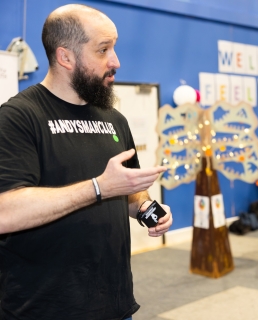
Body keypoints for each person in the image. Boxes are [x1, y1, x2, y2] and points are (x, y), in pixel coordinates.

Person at [0, 4, 173, 320]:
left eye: (114, 48)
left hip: (115, 305)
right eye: (103, 49)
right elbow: (4, 212)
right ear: (65, 57)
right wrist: (98, 188)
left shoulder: (114, 119)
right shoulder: (18, 118)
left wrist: (148, 209)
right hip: (43, 310)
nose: (116, 61)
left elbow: (127, 191)